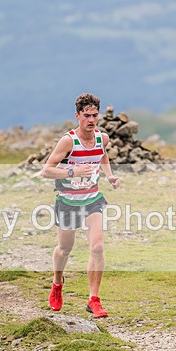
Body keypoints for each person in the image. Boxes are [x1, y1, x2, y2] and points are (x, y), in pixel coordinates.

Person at [40, 93, 120, 318]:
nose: (91, 120)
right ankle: (57, 283)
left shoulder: (102, 138)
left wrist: (110, 176)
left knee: (97, 247)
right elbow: (46, 170)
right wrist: (72, 171)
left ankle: (94, 300)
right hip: (67, 201)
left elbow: (102, 156)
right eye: (86, 115)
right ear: (77, 116)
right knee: (64, 249)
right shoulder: (68, 141)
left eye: (95, 115)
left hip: (92, 200)